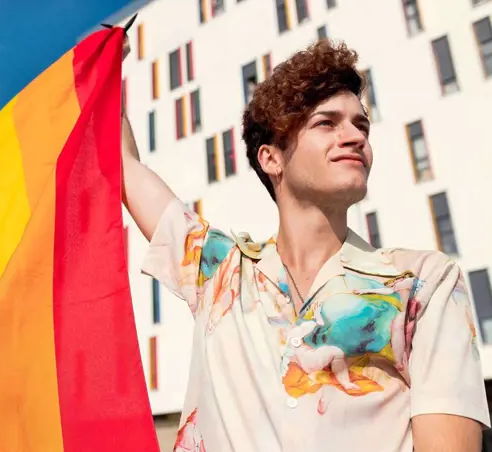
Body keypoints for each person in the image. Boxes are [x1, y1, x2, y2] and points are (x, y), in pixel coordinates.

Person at [120, 39, 490, 451]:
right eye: (326, 123)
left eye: (361, 125)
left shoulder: (422, 283)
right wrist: (102, 60)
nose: (355, 137)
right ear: (271, 158)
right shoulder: (221, 272)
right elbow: (126, 166)